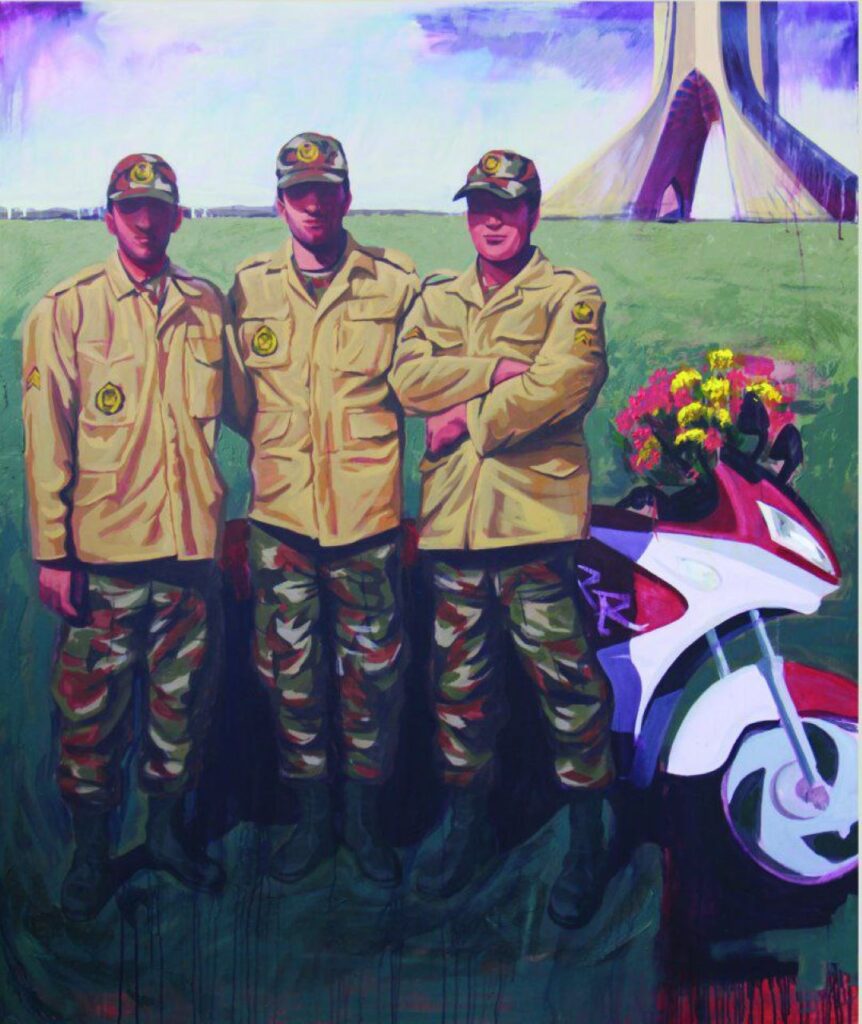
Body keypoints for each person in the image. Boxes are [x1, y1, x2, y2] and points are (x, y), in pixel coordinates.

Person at [389, 150, 615, 927]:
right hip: (455, 526)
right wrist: (494, 369)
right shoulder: (438, 296)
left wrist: (467, 419)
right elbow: (407, 380)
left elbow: (566, 381)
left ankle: (587, 838)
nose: (492, 219)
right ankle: (466, 828)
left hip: (531, 526)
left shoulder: (570, 293)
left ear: (533, 213)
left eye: (507, 206)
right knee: (459, 690)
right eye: (480, 205)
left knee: (567, 689)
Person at [22, 153, 249, 920]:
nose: (145, 221)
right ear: (109, 216)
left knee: (180, 712)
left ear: (178, 216)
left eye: (158, 208)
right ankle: (91, 855)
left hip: (188, 554)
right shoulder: (67, 311)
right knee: (90, 717)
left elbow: (246, 410)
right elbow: (46, 442)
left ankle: (165, 837)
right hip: (104, 558)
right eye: (130, 208)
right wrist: (52, 552)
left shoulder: (205, 305)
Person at [230, 132, 418, 887]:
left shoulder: (394, 282)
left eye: (325, 191)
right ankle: (312, 821)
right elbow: (239, 403)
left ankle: (364, 825)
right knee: (290, 677)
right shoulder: (248, 288)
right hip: (281, 523)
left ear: (347, 197)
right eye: (297, 192)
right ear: (280, 203)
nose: (312, 205)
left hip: (366, 523)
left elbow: (420, 382)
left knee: (373, 679)